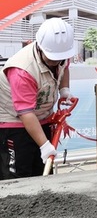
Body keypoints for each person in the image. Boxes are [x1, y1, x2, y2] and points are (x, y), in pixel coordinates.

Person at [0, 18, 76, 178]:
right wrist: (44, 145)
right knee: (17, 176)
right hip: (14, 122)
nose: (56, 62)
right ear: (40, 47)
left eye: (59, 58)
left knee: (41, 172)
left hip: (42, 118)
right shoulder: (22, 70)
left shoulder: (60, 52)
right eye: (52, 58)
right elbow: (25, 112)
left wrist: (64, 90)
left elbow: (65, 66)